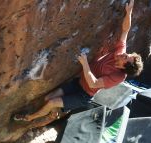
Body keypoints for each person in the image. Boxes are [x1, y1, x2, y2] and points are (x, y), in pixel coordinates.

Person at [14, 0, 143, 122]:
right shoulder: (119, 53)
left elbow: (94, 84)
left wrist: (85, 64)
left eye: (126, 57)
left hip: (83, 95)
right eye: (128, 54)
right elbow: (125, 30)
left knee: (52, 102)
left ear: (124, 66)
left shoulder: (118, 76)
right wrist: (129, 12)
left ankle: (29, 118)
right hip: (78, 82)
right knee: (48, 98)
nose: (125, 54)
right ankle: (55, 113)